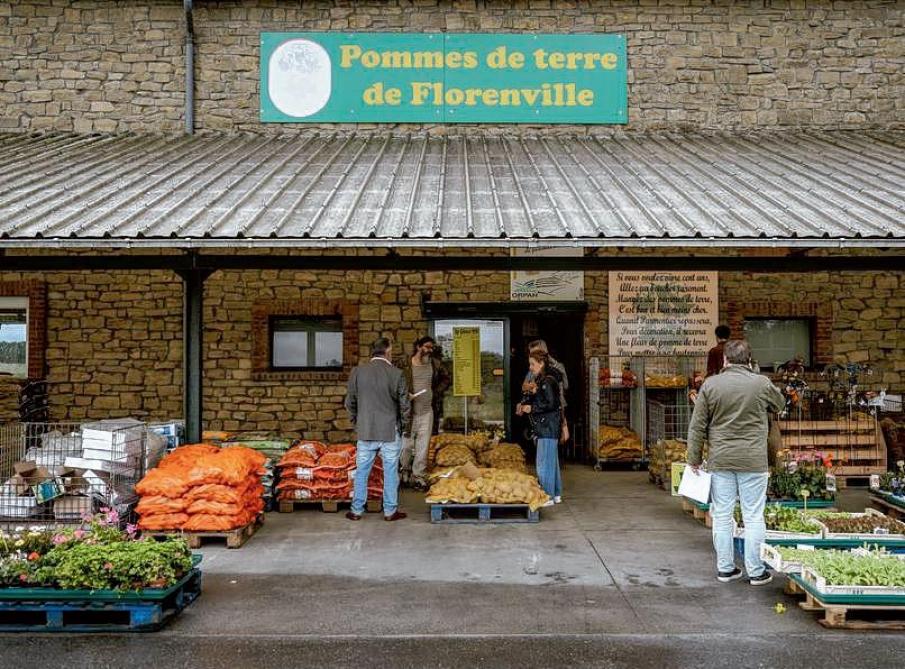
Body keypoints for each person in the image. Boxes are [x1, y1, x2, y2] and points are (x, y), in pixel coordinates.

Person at [686, 339, 785, 586]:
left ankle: (726, 568)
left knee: (722, 515)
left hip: (721, 459)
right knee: (753, 516)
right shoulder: (761, 383)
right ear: (750, 360)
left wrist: (694, 458)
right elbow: (780, 404)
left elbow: (697, 425)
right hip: (753, 460)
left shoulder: (710, 385)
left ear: (725, 360)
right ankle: (756, 571)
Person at [344, 337, 411, 522]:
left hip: (365, 430)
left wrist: (357, 422)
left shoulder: (357, 372)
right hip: (390, 430)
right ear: (388, 351)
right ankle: (390, 511)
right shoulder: (397, 373)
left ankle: (356, 510)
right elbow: (405, 406)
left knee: (362, 472)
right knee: (390, 472)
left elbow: (350, 402)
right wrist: (405, 428)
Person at [400, 336, 448, 490]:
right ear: (418, 346)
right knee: (405, 445)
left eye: (431, 348)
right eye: (426, 347)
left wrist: (436, 392)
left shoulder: (435, 364)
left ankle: (418, 476)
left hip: (427, 411)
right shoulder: (405, 364)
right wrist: (404, 394)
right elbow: (394, 383)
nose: (429, 350)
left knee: (423, 446)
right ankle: (404, 472)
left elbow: (447, 379)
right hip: (409, 413)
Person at [517, 351, 562, 506]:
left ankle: (546, 496)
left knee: (543, 463)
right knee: (552, 462)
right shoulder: (546, 380)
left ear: (541, 363)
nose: (530, 368)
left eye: (532, 364)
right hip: (550, 426)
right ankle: (555, 494)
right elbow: (548, 400)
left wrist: (532, 407)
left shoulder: (547, 381)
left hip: (546, 427)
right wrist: (533, 395)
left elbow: (551, 404)